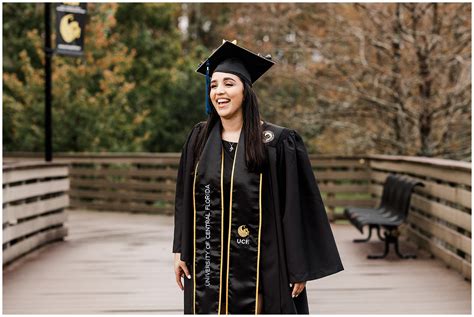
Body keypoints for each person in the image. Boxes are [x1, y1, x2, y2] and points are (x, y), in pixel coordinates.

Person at [173, 40, 343, 314]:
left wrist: (297, 267)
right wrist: (180, 250)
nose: (219, 92)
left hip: (263, 261)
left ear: (246, 91)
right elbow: (184, 198)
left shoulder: (276, 143)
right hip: (207, 261)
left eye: (229, 83)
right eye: (214, 85)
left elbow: (294, 208)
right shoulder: (199, 139)